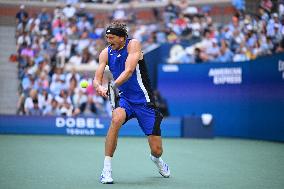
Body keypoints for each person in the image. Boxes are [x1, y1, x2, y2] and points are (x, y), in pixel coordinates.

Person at [93, 22, 170, 184]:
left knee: (157, 150)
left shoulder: (133, 45)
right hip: (125, 99)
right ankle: (106, 170)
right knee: (116, 119)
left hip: (145, 102)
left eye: (112, 37)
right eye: (107, 37)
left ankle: (156, 160)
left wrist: (113, 86)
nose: (109, 40)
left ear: (122, 38)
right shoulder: (106, 53)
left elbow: (128, 71)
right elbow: (97, 77)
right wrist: (99, 86)